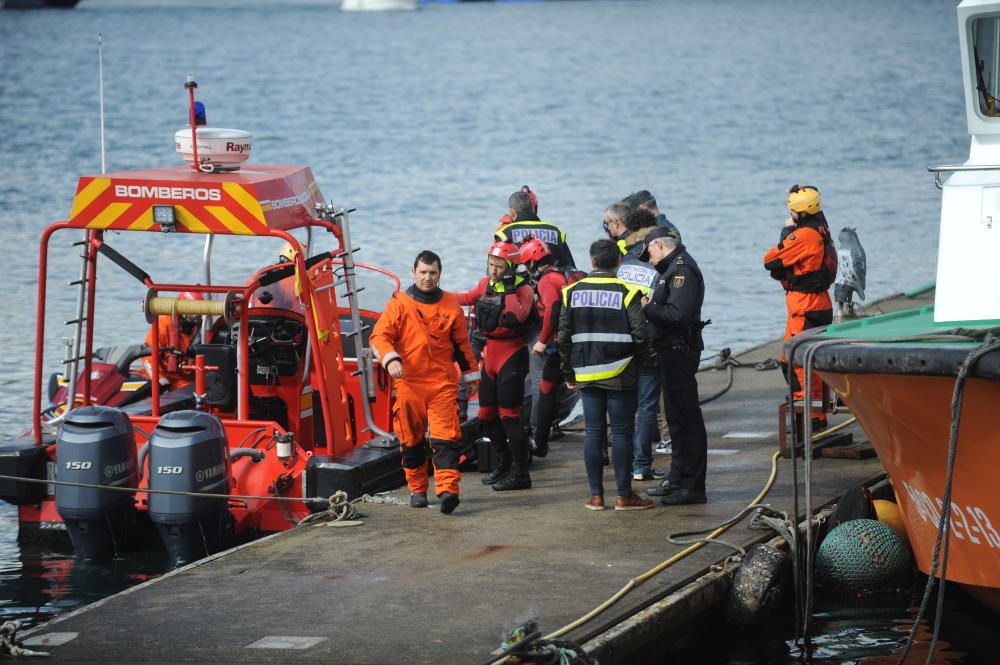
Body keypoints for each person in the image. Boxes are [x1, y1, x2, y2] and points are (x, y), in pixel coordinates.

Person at [369, 251, 479, 514]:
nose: (428, 277)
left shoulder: (451, 305)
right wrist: (391, 359)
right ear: (414, 273)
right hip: (408, 382)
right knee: (411, 441)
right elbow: (378, 338)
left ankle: (448, 490)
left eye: (432, 273)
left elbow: (462, 345)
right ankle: (418, 489)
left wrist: (472, 376)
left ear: (439, 275)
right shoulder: (399, 304)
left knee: (445, 439)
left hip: (441, 382)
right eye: (423, 272)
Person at [558, 239, 654, 512]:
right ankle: (624, 496)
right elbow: (640, 334)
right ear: (618, 263)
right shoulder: (627, 291)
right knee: (622, 432)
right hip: (621, 372)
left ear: (592, 262)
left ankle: (596, 496)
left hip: (586, 372)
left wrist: (568, 372)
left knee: (593, 432)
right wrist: (641, 364)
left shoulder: (571, 292)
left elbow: (563, 337)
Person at [455, 241, 536, 491]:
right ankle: (504, 463)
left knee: (510, 417)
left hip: (512, 355)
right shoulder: (485, 285)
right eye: (491, 264)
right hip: (490, 356)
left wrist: (510, 287)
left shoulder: (524, 291)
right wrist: (432, 295)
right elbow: (466, 297)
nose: (493, 270)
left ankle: (521, 473)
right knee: (486, 416)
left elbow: (516, 316)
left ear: (511, 267)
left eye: (499, 266)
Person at [639, 227, 709, 505]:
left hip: (680, 351)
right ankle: (677, 476)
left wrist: (647, 308)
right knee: (676, 419)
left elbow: (677, 314)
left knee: (687, 419)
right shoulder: (669, 270)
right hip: (669, 352)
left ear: (658, 244)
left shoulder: (682, 271)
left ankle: (693, 485)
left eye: (650, 253)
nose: (650, 259)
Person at [762, 185, 836, 428]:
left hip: (805, 306)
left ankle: (810, 414)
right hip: (818, 302)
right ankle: (811, 409)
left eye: (793, 209)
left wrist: (786, 230)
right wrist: (801, 190)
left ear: (801, 213)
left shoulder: (803, 236)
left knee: (796, 360)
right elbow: (812, 195)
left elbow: (770, 260)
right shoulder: (820, 226)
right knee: (803, 359)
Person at [616, 207, 667, 483]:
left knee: (624, 405)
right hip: (648, 341)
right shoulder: (656, 265)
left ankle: (624, 463)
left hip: (622, 342)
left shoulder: (622, 264)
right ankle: (641, 465)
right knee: (647, 406)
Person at [520, 238, 569, 458]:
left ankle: (538, 437)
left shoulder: (546, 281)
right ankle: (543, 435)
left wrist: (542, 339)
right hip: (575, 341)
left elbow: (553, 309)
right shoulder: (562, 272)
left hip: (562, 343)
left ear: (531, 263)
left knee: (544, 386)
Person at [495, 190, 576, 269]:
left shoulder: (504, 233)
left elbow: (495, 269)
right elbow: (570, 267)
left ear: (512, 212)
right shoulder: (555, 231)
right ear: (533, 209)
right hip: (553, 281)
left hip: (520, 282)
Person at [140, 291, 203, 389]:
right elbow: (148, 357)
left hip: (185, 382)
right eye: (195, 309)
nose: (199, 314)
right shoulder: (162, 325)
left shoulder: (202, 330)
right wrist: (161, 381)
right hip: (160, 380)